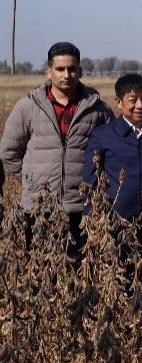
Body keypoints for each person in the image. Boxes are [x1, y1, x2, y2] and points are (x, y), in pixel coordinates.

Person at [0, 41, 113, 261]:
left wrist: (95, 189)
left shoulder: (98, 110)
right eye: (60, 69)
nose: (66, 75)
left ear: (80, 71)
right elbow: (8, 152)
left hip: (82, 208)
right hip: (40, 209)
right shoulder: (28, 107)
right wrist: (31, 180)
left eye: (72, 69)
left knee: (80, 271)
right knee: (42, 271)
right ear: (49, 71)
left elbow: (111, 154)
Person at [83, 74, 142, 270]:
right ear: (119, 102)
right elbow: (90, 182)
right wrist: (92, 221)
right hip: (114, 227)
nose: (140, 105)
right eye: (133, 100)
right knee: (117, 280)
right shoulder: (103, 136)